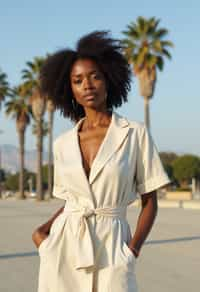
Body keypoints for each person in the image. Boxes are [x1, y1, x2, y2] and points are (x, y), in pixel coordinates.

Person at [32, 31, 170, 292]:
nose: (87, 85)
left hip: (113, 246)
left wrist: (132, 252)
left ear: (109, 79)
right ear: (69, 89)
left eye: (95, 76)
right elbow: (72, 200)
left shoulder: (134, 133)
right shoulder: (62, 143)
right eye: (78, 80)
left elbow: (149, 200)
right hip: (65, 246)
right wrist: (42, 234)